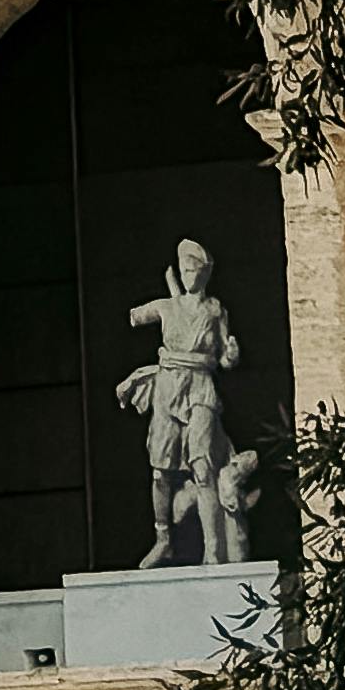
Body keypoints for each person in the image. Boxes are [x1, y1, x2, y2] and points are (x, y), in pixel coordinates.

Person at [118, 238, 247, 566]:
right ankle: (164, 539)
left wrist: (231, 355)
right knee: (160, 471)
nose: (190, 275)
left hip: (200, 387)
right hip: (168, 386)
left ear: (205, 274)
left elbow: (222, 357)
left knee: (202, 467)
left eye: (196, 270)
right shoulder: (167, 306)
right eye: (185, 270)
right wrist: (154, 308)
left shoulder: (215, 309)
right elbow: (134, 316)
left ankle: (213, 551)